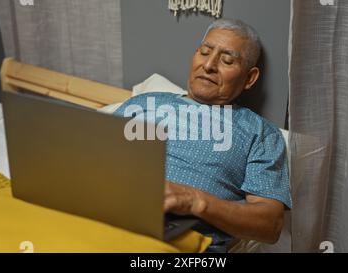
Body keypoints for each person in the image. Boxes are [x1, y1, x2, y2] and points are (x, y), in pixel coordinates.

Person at [114, 18, 291, 252]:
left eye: (227, 60)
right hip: (109, 214)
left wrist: (193, 201)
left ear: (250, 78)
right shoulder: (143, 103)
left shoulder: (260, 133)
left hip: (178, 240)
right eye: (204, 52)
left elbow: (270, 225)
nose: (208, 65)